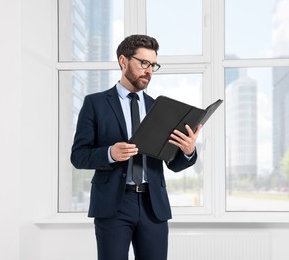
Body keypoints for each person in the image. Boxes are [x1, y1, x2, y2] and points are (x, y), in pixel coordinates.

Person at [71, 34, 202, 260]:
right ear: (123, 61)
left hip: (153, 206)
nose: (149, 70)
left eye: (153, 65)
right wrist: (110, 153)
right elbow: (78, 156)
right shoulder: (95, 103)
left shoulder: (160, 108)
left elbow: (174, 163)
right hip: (113, 204)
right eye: (143, 63)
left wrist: (188, 151)